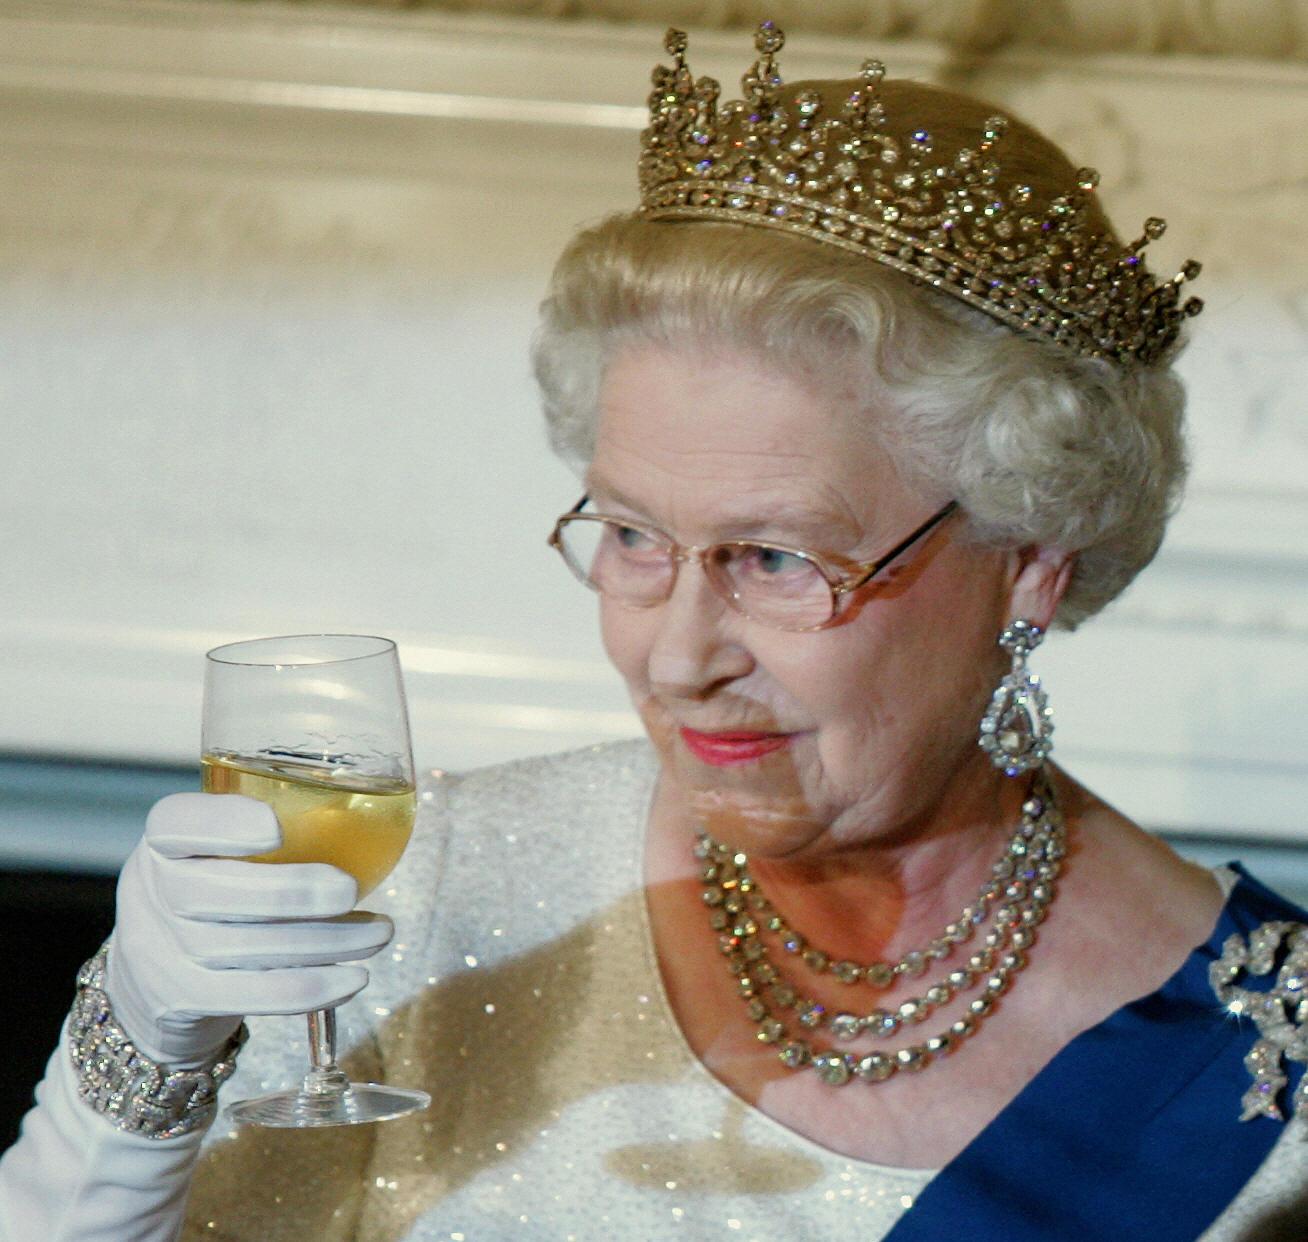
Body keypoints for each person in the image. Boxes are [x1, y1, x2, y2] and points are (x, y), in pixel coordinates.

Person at [2, 21, 1305, 1242]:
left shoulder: (1263, 1085)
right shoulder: (437, 886)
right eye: (632, 535)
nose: (675, 657)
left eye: (777, 557)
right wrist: (140, 1041)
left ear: (1026, 562)